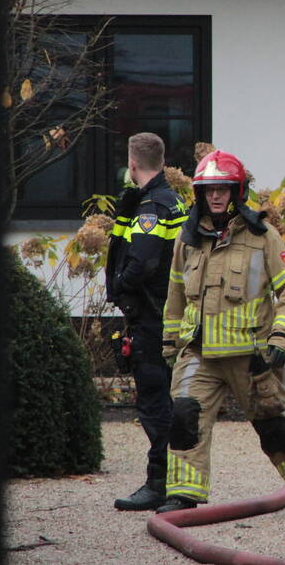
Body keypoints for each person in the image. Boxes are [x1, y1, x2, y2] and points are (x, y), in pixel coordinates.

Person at [156, 150, 285, 514]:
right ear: (200, 194)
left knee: (273, 428)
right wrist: (170, 345)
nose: (216, 196)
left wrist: (282, 337)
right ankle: (184, 496)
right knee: (185, 417)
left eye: (223, 189)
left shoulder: (264, 237)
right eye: (209, 189)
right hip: (199, 354)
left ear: (237, 191)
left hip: (251, 357)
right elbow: (175, 296)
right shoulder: (187, 239)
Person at [107, 132, 189, 510]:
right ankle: (176, 480)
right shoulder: (172, 199)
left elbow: (142, 262)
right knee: (167, 399)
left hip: (152, 317)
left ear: (133, 163)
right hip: (166, 314)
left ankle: (161, 483)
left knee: (155, 400)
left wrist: (121, 285)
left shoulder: (152, 206)